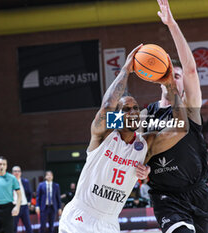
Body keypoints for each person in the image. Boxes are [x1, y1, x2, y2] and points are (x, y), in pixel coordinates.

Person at [59, 44, 189, 233]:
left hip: (109, 223)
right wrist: (126, 70)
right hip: (80, 217)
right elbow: (107, 105)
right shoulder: (103, 135)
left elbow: (182, 128)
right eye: (126, 109)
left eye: (136, 108)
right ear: (116, 117)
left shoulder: (146, 143)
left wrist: (170, 84)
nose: (133, 112)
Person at [137, 0, 208, 232]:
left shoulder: (190, 107)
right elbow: (124, 141)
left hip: (198, 192)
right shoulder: (144, 114)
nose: (174, 78)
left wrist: (171, 24)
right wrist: (139, 167)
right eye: (170, 74)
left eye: (177, 75)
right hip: (165, 195)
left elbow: (190, 69)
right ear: (158, 77)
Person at [12, 166, 33, 233]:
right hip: (14, 206)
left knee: (28, 226)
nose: (17, 172)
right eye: (15, 171)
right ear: (12, 173)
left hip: (24, 206)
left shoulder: (25, 181)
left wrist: (29, 202)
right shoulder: (9, 182)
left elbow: (30, 193)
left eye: (18, 171)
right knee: (13, 227)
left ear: (20, 173)